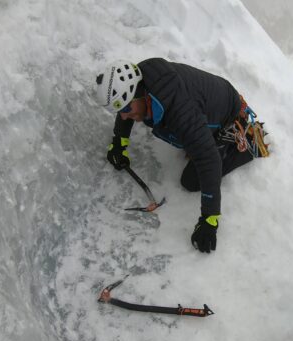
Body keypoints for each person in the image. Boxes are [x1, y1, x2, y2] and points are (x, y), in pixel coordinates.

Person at [94, 58, 268, 253]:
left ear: (139, 95)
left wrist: (209, 221)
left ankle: (249, 141)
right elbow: (125, 106)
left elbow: (208, 159)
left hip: (228, 115)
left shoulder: (181, 112)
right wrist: (119, 142)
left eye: (126, 109)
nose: (124, 116)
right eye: (121, 109)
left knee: (191, 181)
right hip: (209, 102)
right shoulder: (141, 83)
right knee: (191, 140)